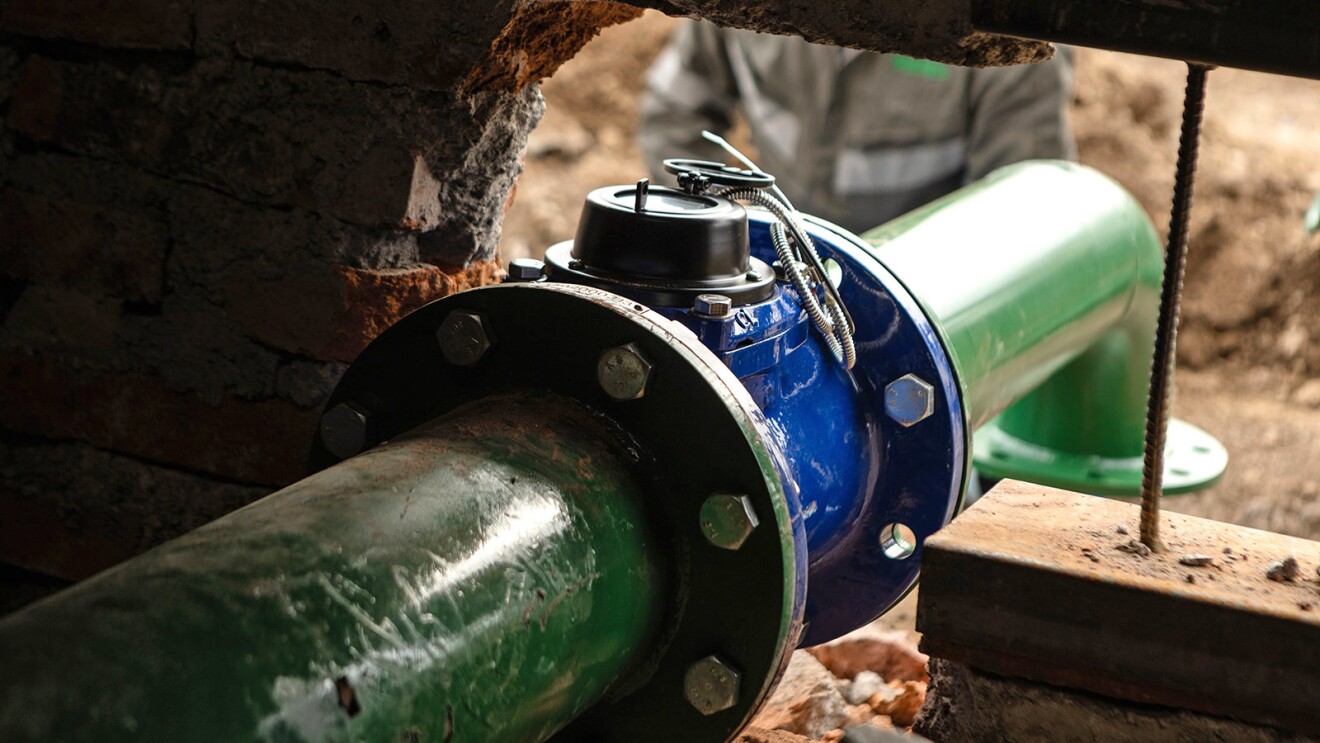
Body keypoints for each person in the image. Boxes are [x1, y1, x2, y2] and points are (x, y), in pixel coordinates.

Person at [640, 21, 1076, 234]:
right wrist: (732, 238)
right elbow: (676, 111)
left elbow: (1022, 218)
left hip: (922, 304)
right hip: (773, 266)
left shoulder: (1008, 30)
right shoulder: (744, 11)